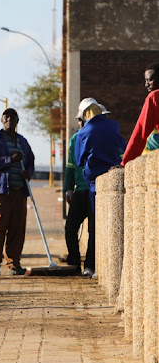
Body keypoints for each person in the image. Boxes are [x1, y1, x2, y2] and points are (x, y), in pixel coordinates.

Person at [73, 97, 126, 278]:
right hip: (115, 176)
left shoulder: (83, 133)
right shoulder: (114, 126)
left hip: (94, 182)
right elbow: (123, 147)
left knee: (98, 225)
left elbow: (79, 160)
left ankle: (98, 267)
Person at [0, 108, 35, 276]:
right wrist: (8, 160)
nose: (9, 120)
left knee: (17, 228)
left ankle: (13, 263)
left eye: (13, 117)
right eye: (6, 117)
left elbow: (31, 161)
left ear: (17, 120)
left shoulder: (22, 141)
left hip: (19, 191)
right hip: (1, 192)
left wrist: (29, 172)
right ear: (1, 120)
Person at [63, 117, 90, 272]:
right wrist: (68, 189)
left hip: (92, 190)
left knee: (92, 230)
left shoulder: (96, 136)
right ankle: (75, 260)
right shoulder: (75, 139)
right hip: (80, 190)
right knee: (71, 227)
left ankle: (89, 264)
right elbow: (71, 166)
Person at [122, 61, 159, 165]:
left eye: (150, 80)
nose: (146, 84)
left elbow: (141, 132)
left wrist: (125, 163)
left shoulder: (155, 97)